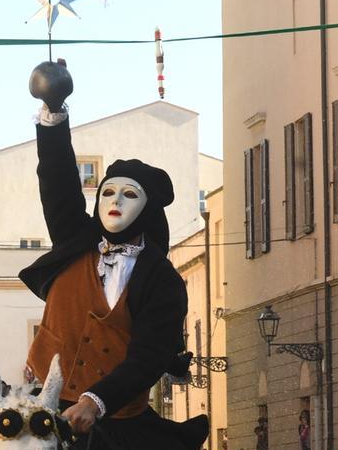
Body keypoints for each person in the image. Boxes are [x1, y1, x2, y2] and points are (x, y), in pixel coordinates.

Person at [19, 59, 206, 449]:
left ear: (147, 209)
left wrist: (96, 400)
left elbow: (149, 356)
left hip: (117, 421)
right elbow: (57, 183)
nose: (115, 200)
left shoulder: (163, 281)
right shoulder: (74, 239)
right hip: (45, 406)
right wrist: (54, 110)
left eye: (129, 194)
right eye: (107, 191)